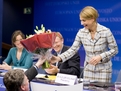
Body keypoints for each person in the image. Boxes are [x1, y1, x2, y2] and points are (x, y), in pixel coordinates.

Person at [49, 6, 118, 82]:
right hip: (89, 69)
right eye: (81, 20)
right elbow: (73, 49)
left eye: (84, 20)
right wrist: (58, 58)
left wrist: (100, 57)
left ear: (92, 19)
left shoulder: (106, 31)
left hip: (104, 70)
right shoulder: (81, 32)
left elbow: (114, 50)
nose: (82, 23)